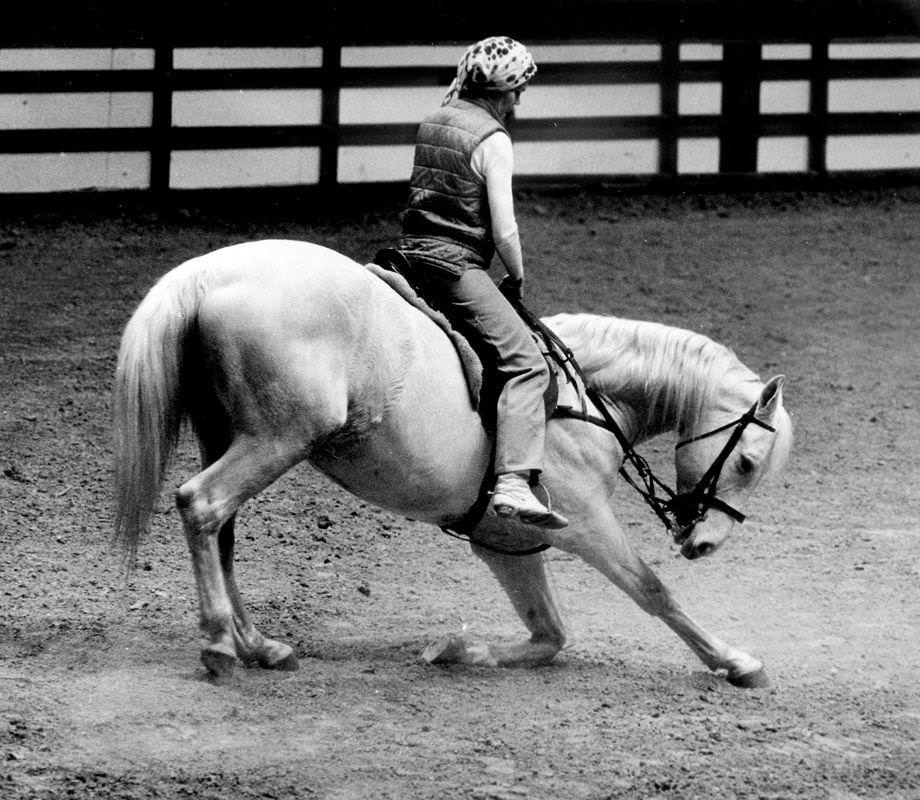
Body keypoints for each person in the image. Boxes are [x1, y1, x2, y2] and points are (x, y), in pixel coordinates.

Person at [396, 36, 568, 530]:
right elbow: (505, 228)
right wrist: (516, 272)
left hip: (407, 255)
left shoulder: (434, 119)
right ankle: (514, 480)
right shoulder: (493, 139)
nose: (519, 101)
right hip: (453, 265)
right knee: (527, 364)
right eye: (517, 90)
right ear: (500, 91)